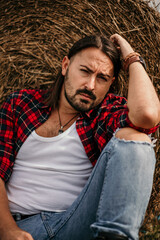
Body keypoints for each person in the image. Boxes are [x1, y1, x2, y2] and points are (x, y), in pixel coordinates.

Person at [0, 33, 159, 240]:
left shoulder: (104, 114)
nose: (90, 85)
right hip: (18, 224)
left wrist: (132, 59)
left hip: (76, 225)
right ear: (65, 66)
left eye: (102, 78)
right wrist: (8, 230)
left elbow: (147, 115)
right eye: (85, 71)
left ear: (111, 83)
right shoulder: (21, 104)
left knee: (136, 138)